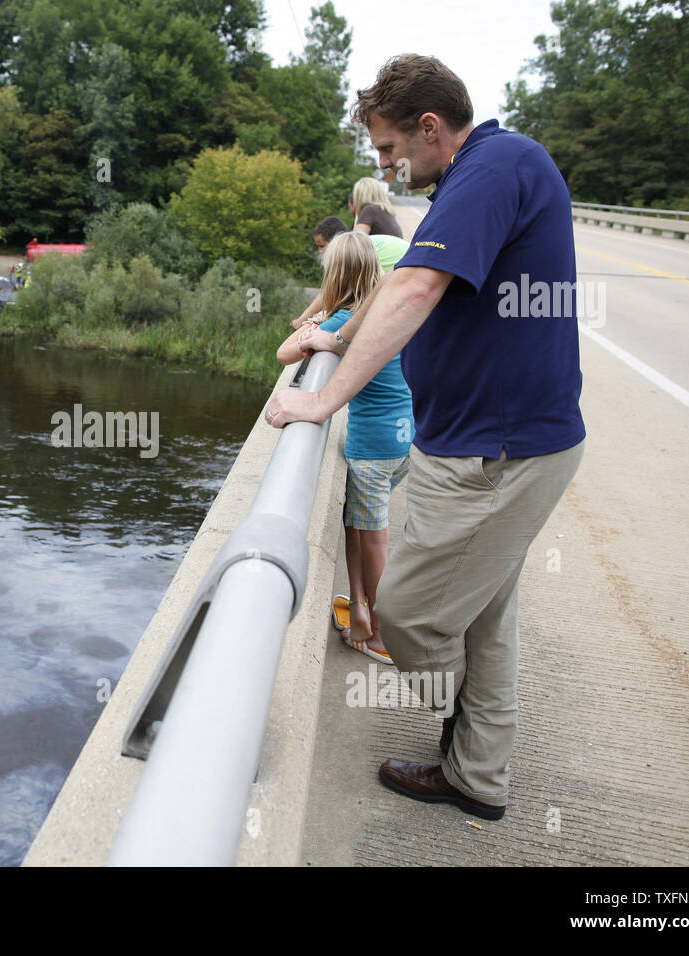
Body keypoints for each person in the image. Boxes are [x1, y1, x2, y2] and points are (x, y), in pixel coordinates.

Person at [263, 54, 585, 821]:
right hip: (493, 443)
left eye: (386, 149)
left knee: (407, 611)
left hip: (496, 453)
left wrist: (326, 400)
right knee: (485, 619)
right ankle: (476, 774)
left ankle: (463, 734)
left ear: (430, 127)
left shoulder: (491, 167)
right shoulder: (477, 175)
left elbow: (413, 287)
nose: (382, 166)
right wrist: (335, 345)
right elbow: (396, 290)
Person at [277, 232, 414, 664]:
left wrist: (312, 327)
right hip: (403, 440)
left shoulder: (341, 322)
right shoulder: (384, 312)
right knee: (357, 527)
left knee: (374, 541)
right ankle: (360, 614)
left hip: (372, 446)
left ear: (332, 278)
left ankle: (384, 638)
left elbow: (284, 354)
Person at [293, 221, 409, 331]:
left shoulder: (356, 255)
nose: (320, 251)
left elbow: (329, 293)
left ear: (335, 242)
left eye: (322, 246)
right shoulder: (360, 245)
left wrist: (302, 320)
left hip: (406, 276)